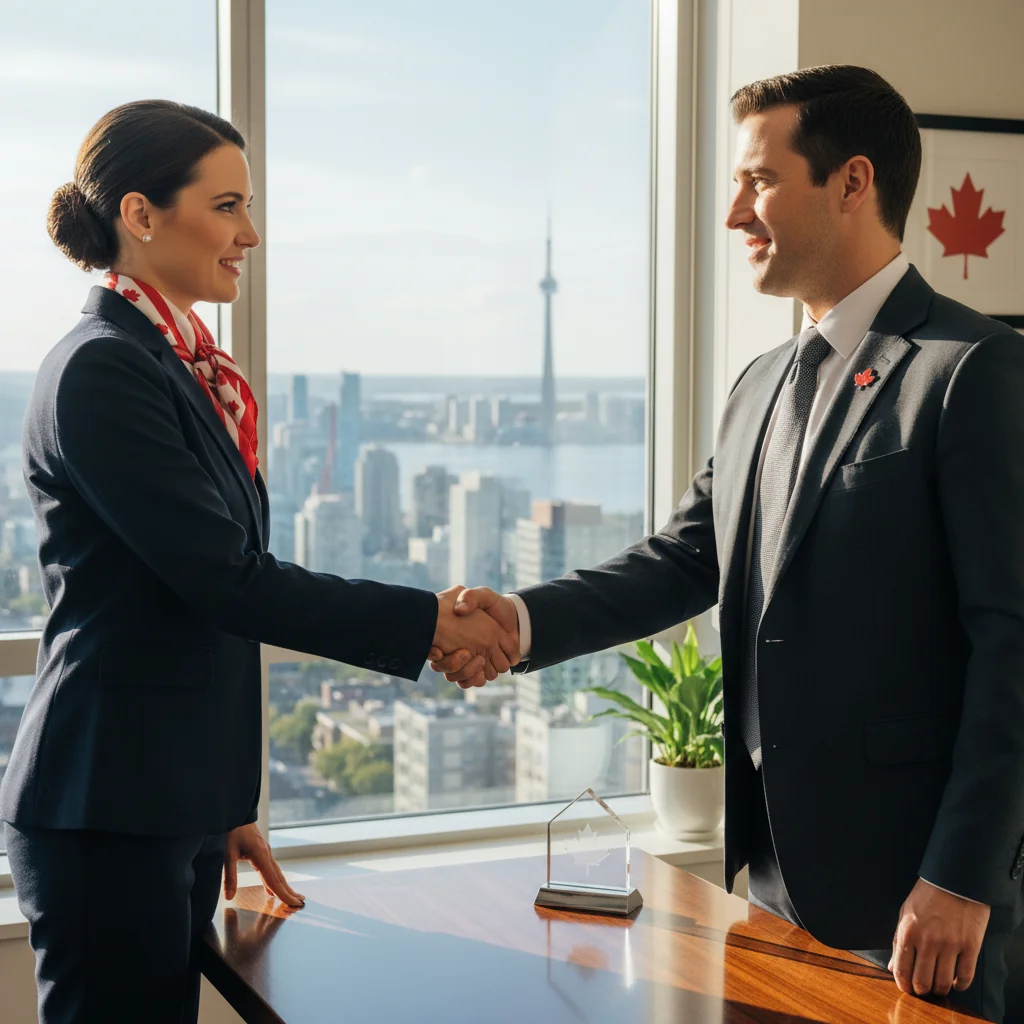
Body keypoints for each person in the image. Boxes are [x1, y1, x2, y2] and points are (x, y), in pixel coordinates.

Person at [432, 66, 1024, 1022]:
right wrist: (524, 621)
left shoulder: (973, 371)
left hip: (918, 898)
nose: (733, 214)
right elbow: (685, 560)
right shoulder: (760, 382)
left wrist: (963, 876)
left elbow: (1014, 645)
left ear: (852, 182)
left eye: (758, 181)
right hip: (772, 885)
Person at [0, 99, 513, 1024]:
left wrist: (220, 800)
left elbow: (183, 605)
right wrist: (431, 621)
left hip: (163, 799)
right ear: (141, 214)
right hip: (106, 807)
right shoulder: (103, 367)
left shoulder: (168, 363)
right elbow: (226, 581)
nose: (252, 234)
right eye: (228, 205)